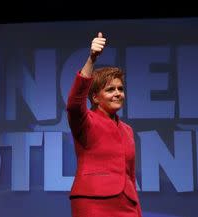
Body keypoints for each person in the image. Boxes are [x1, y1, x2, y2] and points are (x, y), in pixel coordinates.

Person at [66, 32, 142, 217]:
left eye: (120, 89)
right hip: (93, 202)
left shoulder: (127, 130)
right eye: (110, 89)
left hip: (126, 203)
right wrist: (92, 59)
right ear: (95, 97)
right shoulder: (86, 121)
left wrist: (137, 210)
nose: (118, 93)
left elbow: (130, 176)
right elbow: (74, 104)